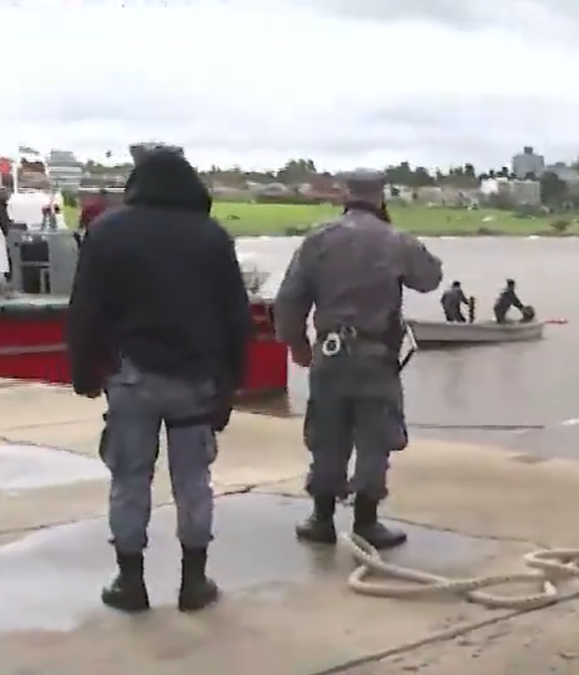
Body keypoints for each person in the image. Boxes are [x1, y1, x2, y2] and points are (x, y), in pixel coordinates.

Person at [65, 148, 251, 614]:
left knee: (129, 478)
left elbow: (85, 308)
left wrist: (84, 371)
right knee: (193, 480)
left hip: (131, 377)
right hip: (195, 380)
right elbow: (235, 318)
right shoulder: (213, 237)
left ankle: (131, 584)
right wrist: (230, 386)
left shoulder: (107, 231)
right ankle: (194, 582)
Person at [274, 169, 443, 553]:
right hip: (375, 355)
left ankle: (321, 518)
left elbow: (289, 299)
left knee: (327, 433)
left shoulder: (318, 239)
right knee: (374, 437)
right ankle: (367, 520)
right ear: (380, 196)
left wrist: (296, 344)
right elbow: (430, 277)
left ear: (344, 196)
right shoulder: (395, 240)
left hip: (329, 353)